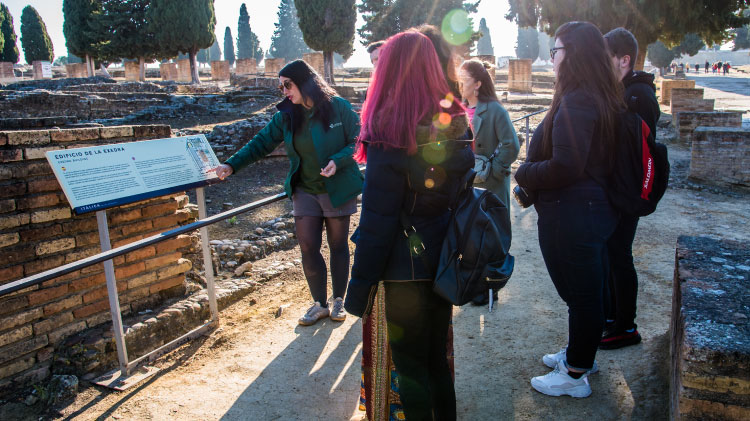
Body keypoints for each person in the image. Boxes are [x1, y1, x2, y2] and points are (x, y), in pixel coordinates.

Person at [345, 31, 473, 419]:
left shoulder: (391, 130)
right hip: (443, 258)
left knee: (413, 368)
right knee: (435, 359)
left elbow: (379, 218)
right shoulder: (454, 124)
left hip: (404, 268)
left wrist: (359, 285)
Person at [515, 21, 624, 398]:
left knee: (580, 295)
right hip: (585, 210)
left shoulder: (579, 99)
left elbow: (566, 166)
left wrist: (524, 171)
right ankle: (581, 353)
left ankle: (575, 374)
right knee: (584, 293)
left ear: (572, 54)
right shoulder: (597, 94)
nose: (552, 59)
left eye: (555, 51)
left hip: (574, 212)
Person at [212, 60, 363, 326]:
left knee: (338, 245)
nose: (283, 90)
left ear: (304, 82)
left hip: (336, 187)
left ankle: (339, 299)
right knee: (307, 246)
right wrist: (231, 164)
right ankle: (319, 303)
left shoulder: (337, 107)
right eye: (280, 86)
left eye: (287, 84)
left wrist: (337, 160)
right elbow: (261, 143)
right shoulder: (285, 114)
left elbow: (358, 139)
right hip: (304, 188)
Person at [601, 27, 661, 350]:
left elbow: (640, 154)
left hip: (628, 194)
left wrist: (627, 195)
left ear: (624, 59)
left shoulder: (638, 97)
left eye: (606, 57)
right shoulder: (626, 92)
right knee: (613, 255)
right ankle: (613, 319)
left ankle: (626, 326)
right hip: (620, 192)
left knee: (621, 257)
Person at [458, 58, 519, 306]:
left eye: (464, 80)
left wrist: (493, 169)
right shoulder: (457, 110)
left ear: (478, 83)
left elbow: (512, 145)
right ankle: (473, 284)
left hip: (490, 185)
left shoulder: (494, 110)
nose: (459, 84)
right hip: (465, 183)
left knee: (491, 236)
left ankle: (489, 286)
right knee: (469, 236)